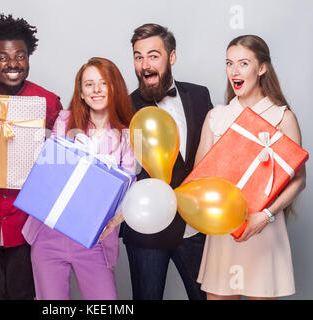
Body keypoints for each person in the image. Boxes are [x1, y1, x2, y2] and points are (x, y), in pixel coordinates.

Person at [0, 14, 63, 300]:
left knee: (24, 295)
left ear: (29, 57)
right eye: (2, 57)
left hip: (28, 221)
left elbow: (61, 158)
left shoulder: (48, 102)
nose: (13, 63)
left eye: (20, 55)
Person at [196, 35, 306, 300]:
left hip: (264, 229)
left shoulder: (282, 117)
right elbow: (200, 176)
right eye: (229, 63)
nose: (234, 71)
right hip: (225, 231)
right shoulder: (216, 116)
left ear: (262, 68)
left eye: (243, 63)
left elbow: (299, 179)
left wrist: (265, 215)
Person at [21, 57, 135, 299]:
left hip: (96, 240)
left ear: (115, 88)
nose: (96, 90)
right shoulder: (65, 120)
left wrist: (113, 220)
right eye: (89, 84)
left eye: (103, 83)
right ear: (81, 93)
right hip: (49, 234)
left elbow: (128, 192)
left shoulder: (129, 135)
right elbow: (53, 174)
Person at [114, 23, 213, 300]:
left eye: (153, 55)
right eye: (138, 56)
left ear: (172, 57)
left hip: (195, 225)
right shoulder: (123, 106)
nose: (145, 65)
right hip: (146, 229)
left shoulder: (200, 95)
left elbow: (213, 155)